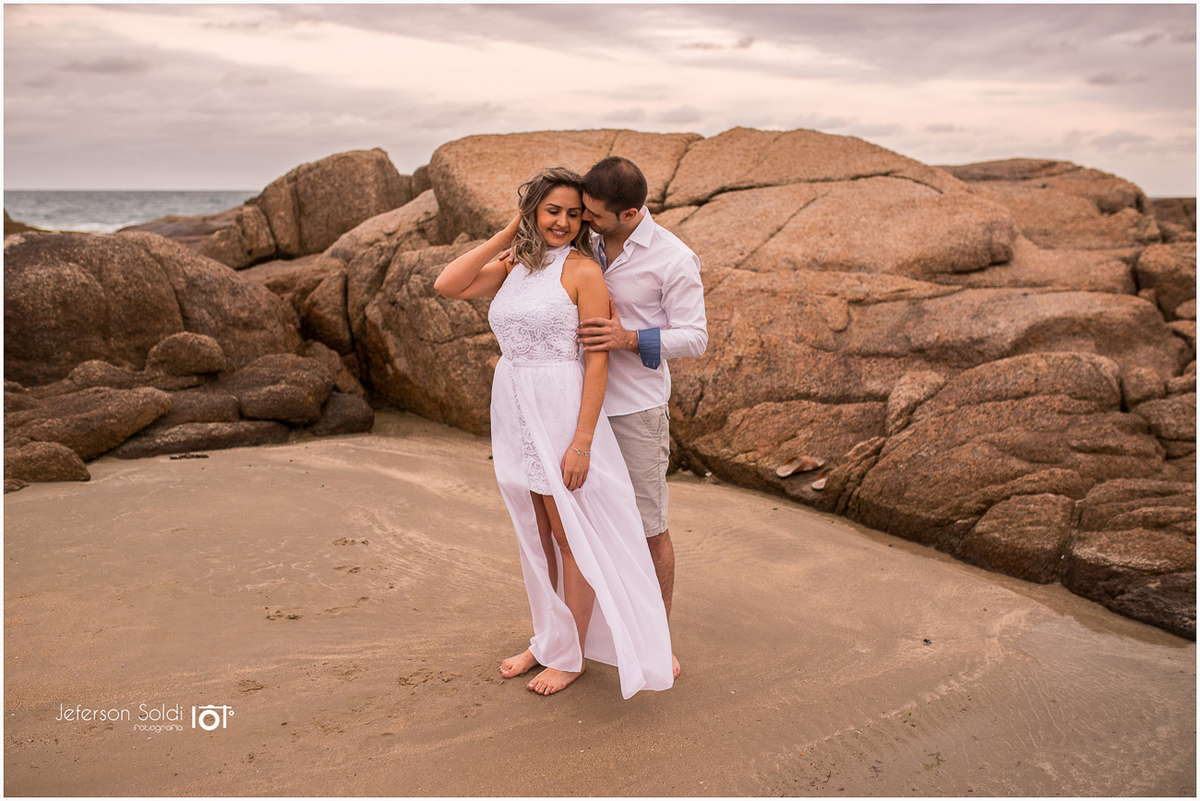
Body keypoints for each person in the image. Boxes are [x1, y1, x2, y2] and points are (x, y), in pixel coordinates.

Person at [433, 167, 673, 699]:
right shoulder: (515, 264)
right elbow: (447, 285)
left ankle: (572, 656)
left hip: (560, 406)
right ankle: (549, 639)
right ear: (532, 212)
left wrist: (581, 443)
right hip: (514, 404)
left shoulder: (584, 271)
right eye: (551, 211)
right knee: (535, 535)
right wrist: (507, 234)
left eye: (573, 214)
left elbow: (597, 362)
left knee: (569, 537)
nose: (562, 222)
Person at [576, 156, 709, 680]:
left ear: (630, 213)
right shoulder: (584, 241)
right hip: (578, 405)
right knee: (583, 524)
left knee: (648, 529)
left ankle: (657, 641)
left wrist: (628, 338)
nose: (585, 221)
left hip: (635, 410)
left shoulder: (674, 258)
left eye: (594, 214)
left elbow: (695, 337)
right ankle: (587, 630)